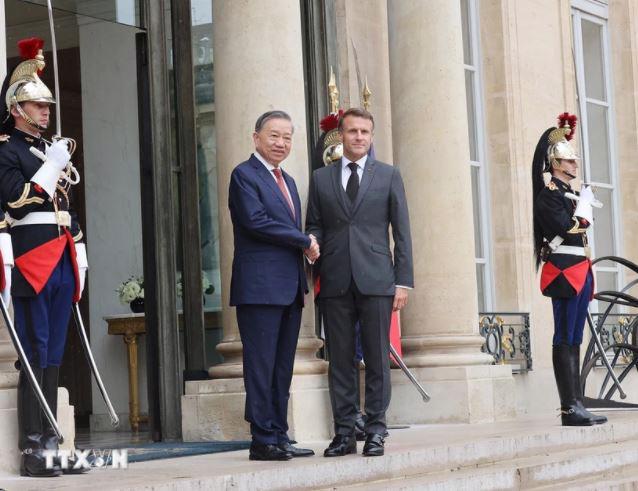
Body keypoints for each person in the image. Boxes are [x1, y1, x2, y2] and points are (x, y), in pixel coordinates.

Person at [0, 38, 89, 476]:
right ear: (17, 108)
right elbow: (15, 200)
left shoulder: (46, 146)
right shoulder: (7, 148)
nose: (46, 112)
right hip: (33, 257)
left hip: (61, 256)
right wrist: (51, 166)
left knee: (55, 352)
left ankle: (54, 442)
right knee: (33, 351)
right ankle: (33, 447)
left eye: (47, 106)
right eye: (37, 106)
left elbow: (64, 210)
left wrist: (81, 250)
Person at [306, 107, 413, 457]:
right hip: (335, 281)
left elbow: (402, 233)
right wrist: (312, 243)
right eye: (352, 132)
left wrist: (403, 282)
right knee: (340, 360)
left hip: (378, 281)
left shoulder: (388, 175)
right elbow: (315, 223)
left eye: (365, 132)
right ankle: (344, 432)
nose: (359, 138)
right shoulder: (321, 178)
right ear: (342, 134)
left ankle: (377, 429)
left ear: (372, 135)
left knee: (377, 358)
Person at [228, 110, 318, 461]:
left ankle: (280, 433)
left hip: (290, 286)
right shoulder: (244, 175)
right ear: (256, 138)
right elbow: (256, 222)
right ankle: (262, 438)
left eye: (287, 137)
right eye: (274, 136)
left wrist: (306, 246)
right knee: (261, 364)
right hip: (259, 287)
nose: (281, 143)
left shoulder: (290, 181)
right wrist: (303, 239)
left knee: (282, 365)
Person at [532, 112, 607, 427]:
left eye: (575, 161)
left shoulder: (569, 195)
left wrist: (581, 202)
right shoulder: (549, 197)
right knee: (564, 335)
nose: (575, 165)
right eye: (570, 162)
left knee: (576, 336)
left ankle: (577, 402)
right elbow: (568, 227)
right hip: (563, 269)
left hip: (579, 268)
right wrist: (584, 210)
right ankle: (568, 408)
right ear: (556, 164)